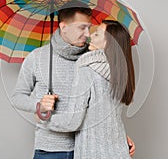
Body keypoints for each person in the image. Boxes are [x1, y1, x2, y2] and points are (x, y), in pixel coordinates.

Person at [11, 1, 135, 159]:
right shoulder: (37, 57)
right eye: (82, 28)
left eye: (89, 28)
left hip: (84, 150)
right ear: (64, 27)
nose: (88, 34)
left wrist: (116, 138)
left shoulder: (93, 58)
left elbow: (103, 106)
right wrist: (39, 105)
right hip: (50, 149)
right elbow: (17, 97)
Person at [40, 20, 135, 159]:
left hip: (92, 153)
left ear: (109, 42)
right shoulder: (121, 73)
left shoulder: (86, 70)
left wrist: (45, 118)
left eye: (97, 34)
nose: (91, 36)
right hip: (120, 151)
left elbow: (73, 122)